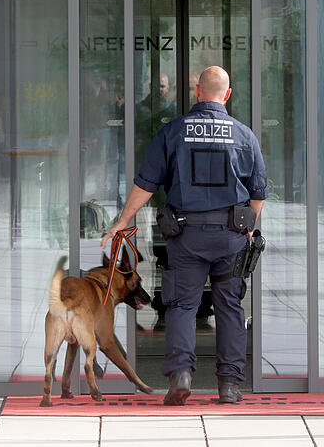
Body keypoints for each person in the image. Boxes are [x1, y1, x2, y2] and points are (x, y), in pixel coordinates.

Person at [101, 66, 267, 405]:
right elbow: (259, 192)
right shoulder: (244, 135)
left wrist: (122, 221)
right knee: (230, 307)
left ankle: (181, 375)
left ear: (197, 92)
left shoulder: (174, 131)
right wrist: (248, 227)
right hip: (231, 235)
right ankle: (230, 386)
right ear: (228, 94)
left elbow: (146, 183)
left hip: (186, 234)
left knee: (181, 305)